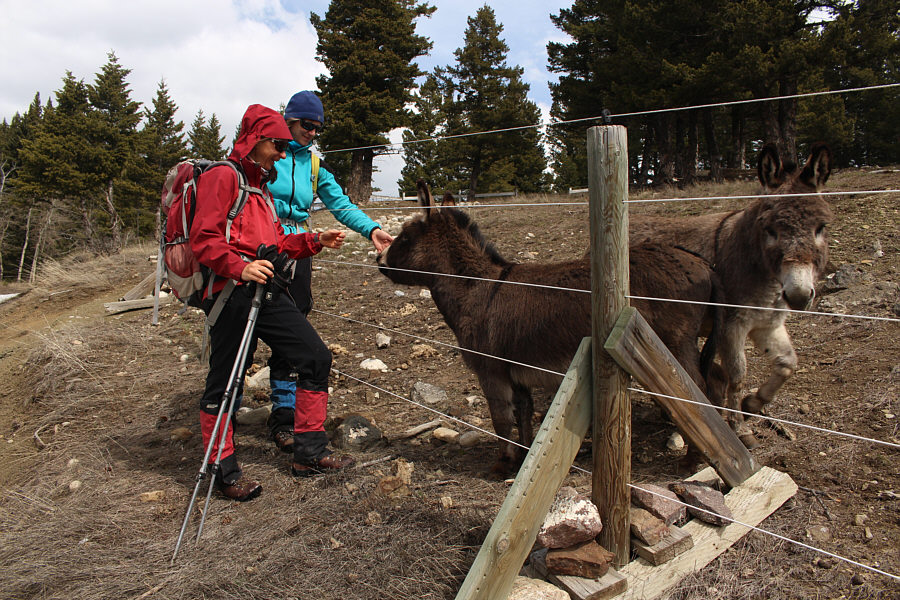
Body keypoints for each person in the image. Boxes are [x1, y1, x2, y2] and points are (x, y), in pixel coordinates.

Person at [190, 103, 355, 502]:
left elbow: (272, 243)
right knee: (226, 381)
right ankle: (221, 470)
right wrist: (239, 268)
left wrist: (312, 241)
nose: (283, 154)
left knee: (315, 357)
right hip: (230, 295)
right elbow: (203, 239)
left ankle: (309, 455)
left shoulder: (258, 187)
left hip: (267, 291)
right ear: (255, 140)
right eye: (277, 145)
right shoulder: (222, 177)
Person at [264, 90, 394, 452]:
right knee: (244, 330)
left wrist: (372, 229)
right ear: (288, 120)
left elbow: (340, 204)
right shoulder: (266, 153)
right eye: (307, 125)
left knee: (293, 338)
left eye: (318, 127)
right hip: (260, 250)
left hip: (300, 254)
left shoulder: (315, 165)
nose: (312, 132)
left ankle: (285, 418)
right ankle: (223, 421)